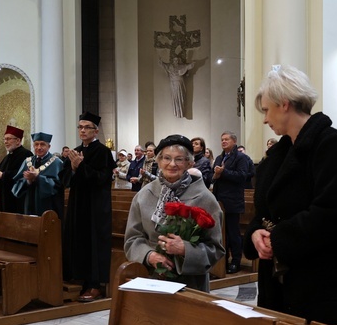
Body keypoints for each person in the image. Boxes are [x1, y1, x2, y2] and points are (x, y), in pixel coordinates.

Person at [243, 65, 337, 325]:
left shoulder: (331, 145)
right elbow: (266, 209)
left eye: (266, 110)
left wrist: (278, 239)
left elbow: (333, 211)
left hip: (326, 285)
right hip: (282, 283)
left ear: (284, 104)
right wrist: (256, 233)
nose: (265, 120)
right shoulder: (280, 153)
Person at [125, 134, 225, 291]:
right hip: (150, 279)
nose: (172, 164)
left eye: (179, 159)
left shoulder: (205, 199)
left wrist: (186, 250)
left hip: (191, 284)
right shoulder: (143, 195)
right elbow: (133, 239)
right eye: (166, 158)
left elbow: (216, 249)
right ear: (158, 161)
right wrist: (149, 255)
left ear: (189, 163)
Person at [62, 112, 115, 302]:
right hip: (78, 204)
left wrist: (81, 167)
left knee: (94, 242)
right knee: (78, 239)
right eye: (80, 127)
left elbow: (101, 179)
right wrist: (74, 168)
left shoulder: (103, 152)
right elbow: (65, 179)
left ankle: (95, 284)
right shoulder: (75, 151)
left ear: (96, 130)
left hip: (95, 206)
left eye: (87, 127)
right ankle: (78, 277)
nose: (83, 130)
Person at [211, 131, 252, 274]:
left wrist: (224, 173)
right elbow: (213, 176)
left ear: (234, 141)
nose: (223, 142)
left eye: (226, 139)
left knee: (233, 233)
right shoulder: (219, 158)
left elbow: (242, 177)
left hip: (233, 201)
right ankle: (223, 261)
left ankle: (236, 261)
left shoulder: (241, 158)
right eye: (222, 139)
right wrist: (215, 175)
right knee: (222, 234)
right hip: (219, 200)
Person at [12, 132, 65, 219]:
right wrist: (28, 181)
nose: (39, 147)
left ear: (49, 146)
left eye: (42, 144)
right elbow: (17, 183)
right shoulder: (27, 161)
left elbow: (58, 185)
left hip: (49, 206)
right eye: (36, 144)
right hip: (29, 204)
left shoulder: (56, 162)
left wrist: (38, 178)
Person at [0, 125, 33, 213]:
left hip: (19, 198)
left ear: (18, 140)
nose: (5, 142)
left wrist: (3, 175)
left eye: (8, 139)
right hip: (5, 197)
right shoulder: (7, 157)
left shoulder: (26, 154)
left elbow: (23, 174)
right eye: (4, 139)